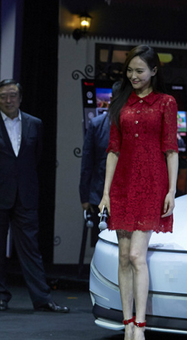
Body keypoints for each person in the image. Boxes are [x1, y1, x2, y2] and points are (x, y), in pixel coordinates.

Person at [98, 45, 178, 340]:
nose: (134, 76)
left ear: (154, 71)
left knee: (136, 257)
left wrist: (171, 190)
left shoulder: (166, 103)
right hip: (122, 184)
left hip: (152, 184)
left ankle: (141, 327)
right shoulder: (120, 103)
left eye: (139, 71)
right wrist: (105, 192)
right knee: (122, 257)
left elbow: (171, 149)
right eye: (129, 71)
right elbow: (113, 150)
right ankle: (127, 324)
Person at [0, 79, 69, 313]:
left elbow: (36, 157)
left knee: (31, 249)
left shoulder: (35, 124)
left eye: (12, 95)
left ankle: (42, 299)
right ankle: (0, 296)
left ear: (20, 98)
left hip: (25, 194)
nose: (8, 100)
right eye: (3, 96)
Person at [79, 82, 121, 246]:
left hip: (128, 196)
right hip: (99, 194)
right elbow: (87, 162)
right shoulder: (97, 124)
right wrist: (85, 196)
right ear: (113, 99)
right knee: (102, 243)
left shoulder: (137, 126)